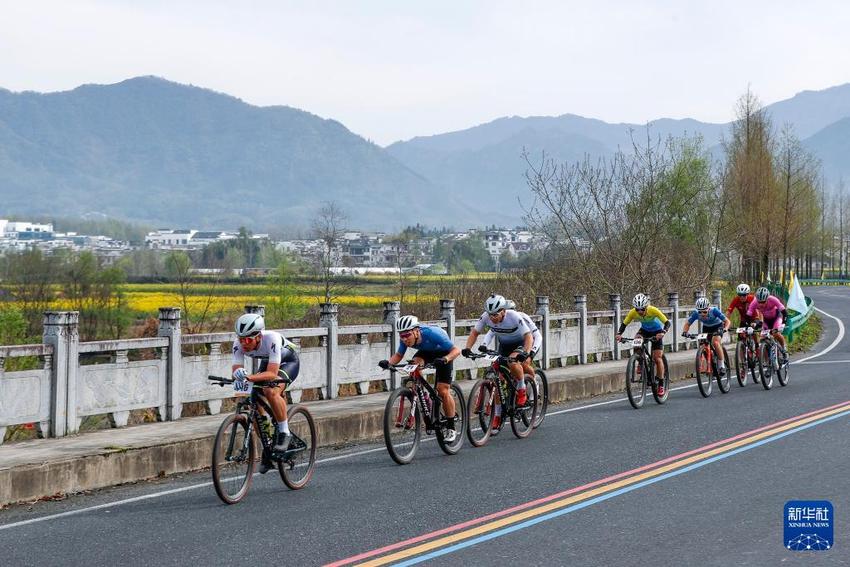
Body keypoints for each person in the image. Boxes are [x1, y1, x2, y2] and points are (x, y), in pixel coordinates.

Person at [232, 313, 300, 473]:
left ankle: (284, 432)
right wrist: (238, 376)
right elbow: (236, 370)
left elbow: (271, 373)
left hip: (287, 362)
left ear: (258, 336)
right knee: (254, 400)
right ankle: (267, 446)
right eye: (241, 339)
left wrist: (248, 377)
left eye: (248, 340)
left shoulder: (272, 339)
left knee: (270, 390)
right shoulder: (238, 344)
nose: (244, 344)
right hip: (268, 362)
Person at [378, 315, 461, 443]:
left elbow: (456, 350)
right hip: (426, 353)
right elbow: (399, 355)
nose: (405, 339)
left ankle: (451, 427)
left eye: (407, 335)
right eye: (402, 335)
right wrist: (388, 363)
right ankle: (425, 397)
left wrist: (446, 359)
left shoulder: (433, 334)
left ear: (416, 331)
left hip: (444, 354)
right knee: (413, 366)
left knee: (442, 390)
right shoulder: (405, 339)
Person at [462, 294, 534, 434]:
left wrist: (526, 352)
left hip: (520, 343)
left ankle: (521, 389)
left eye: (495, 314)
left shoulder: (513, 316)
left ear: (503, 311)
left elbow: (528, 336)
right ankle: (498, 414)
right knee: (497, 381)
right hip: (504, 346)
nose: (492, 318)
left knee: (513, 363)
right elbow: (475, 333)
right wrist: (467, 348)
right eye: (490, 315)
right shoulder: (486, 317)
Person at [615, 293, 670, 396]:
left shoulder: (653, 310)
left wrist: (663, 332)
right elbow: (624, 324)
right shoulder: (633, 312)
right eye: (637, 309)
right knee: (636, 341)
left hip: (657, 332)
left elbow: (667, 322)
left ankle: (661, 384)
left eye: (642, 309)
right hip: (644, 330)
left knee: (657, 358)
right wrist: (619, 334)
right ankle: (640, 362)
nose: (639, 312)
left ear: (646, 307)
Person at [682, 296, 731, 375]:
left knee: (715, 342)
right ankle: (711, 362)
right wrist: (685, 332)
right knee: (703, 345)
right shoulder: (695, 313)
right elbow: (687, 324)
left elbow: (727, 321)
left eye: (704, 312)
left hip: (717, 326)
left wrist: (725, 329)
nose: (702, 314)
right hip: (706, 328)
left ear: (708, 309)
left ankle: (721, 365)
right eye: (700, 312)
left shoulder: (714, 310)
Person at [747, 286, 789, 360]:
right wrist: (749, 326)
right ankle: (767, 360)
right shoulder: (754, 302)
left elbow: (784, 312)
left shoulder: (773, 299)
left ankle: (784, 349)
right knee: (763, 338)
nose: (761, 304)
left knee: (776, 333)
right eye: (759, 302)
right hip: (766, 320)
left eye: (763, 302)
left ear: (767, 299)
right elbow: (748, 316)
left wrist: (783, 324)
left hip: (776, 318)